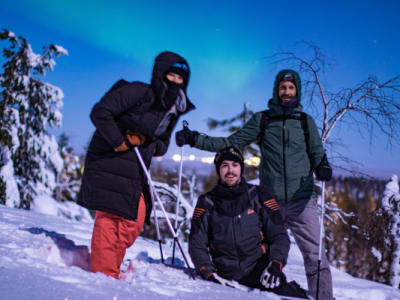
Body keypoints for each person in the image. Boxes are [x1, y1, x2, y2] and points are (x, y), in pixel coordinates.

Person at [178, 70, 333, 299]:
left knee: (314, 255)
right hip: (271, 200)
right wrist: (195, 139)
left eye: (291, 88)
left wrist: (323, 165)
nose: (287, 92)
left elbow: (317, 152)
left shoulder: (304, 121)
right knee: (266, 249)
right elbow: (231, 142)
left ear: (297, 91)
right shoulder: (264, 120)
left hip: (302, 200)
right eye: (283, 88)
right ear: (276, 90)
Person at [78, 51, 195, 279]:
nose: (175, 82)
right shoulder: (139, 92)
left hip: (135, 170)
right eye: (171, 75)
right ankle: (102, 277)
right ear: (160, 74)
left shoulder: (172, 109)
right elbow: (100, 112)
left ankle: (108, 266)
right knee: (111, 220)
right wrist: (120, 141)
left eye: (180, 79)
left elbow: (160, 147)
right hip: (110, 161)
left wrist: (147, 138)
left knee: (133, 221)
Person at [189, 146, 309, 298]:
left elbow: (279, 235)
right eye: (224, 166)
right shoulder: (206, 202)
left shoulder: (259, 196)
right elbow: (196, 243)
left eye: (235, 165)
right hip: (225, 276)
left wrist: (275, 264)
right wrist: (208, 273)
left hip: (262, 273)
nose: (230, 170)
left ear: (241, 168)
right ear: (218, 170)